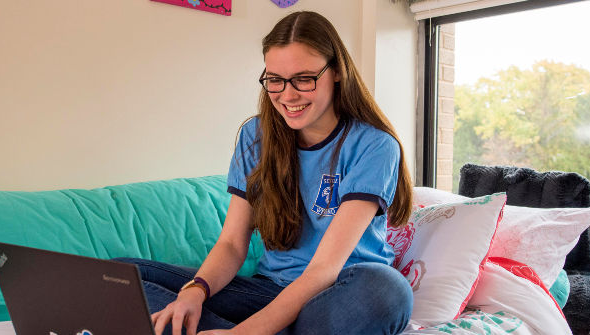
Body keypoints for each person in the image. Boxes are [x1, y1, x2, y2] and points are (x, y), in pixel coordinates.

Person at [116, 11, 414, 335]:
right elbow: (231, 244)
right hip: (268, 292)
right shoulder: (256, 136)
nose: (288, 95)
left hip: (335, 296)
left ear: (338, 72)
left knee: (388, 290)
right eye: (275, 79)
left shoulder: (374, 145)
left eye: (304, 79)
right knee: (119, 277)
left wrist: (242, 333)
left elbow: (323, 269)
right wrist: (195, 290)